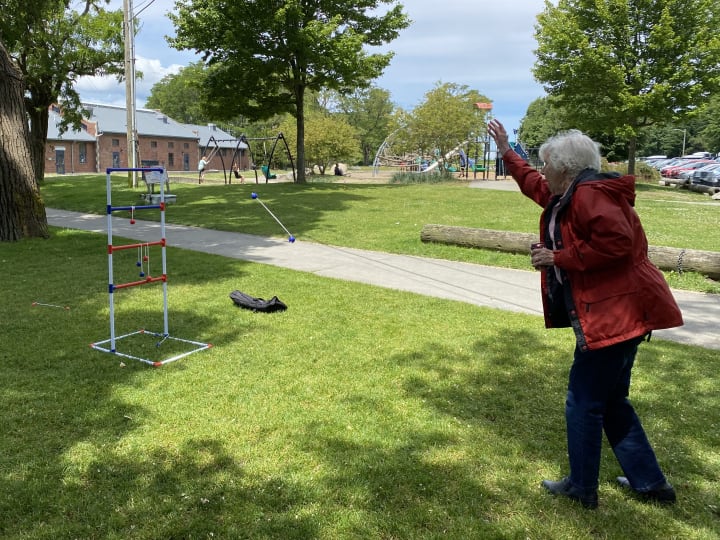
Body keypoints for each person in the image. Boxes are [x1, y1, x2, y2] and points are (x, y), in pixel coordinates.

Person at [487, 119, 683, 509]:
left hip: (616, 315)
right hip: (620, 314)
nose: (543, 172)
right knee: (611, 402)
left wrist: (557, 256)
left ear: (566, 168)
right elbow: (536, 186)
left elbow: (618, 246)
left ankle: (581, 488)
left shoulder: (591, 196)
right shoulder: (573, 192)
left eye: (548, 165)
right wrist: (508, 151)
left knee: (584, 401)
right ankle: (652, 485)